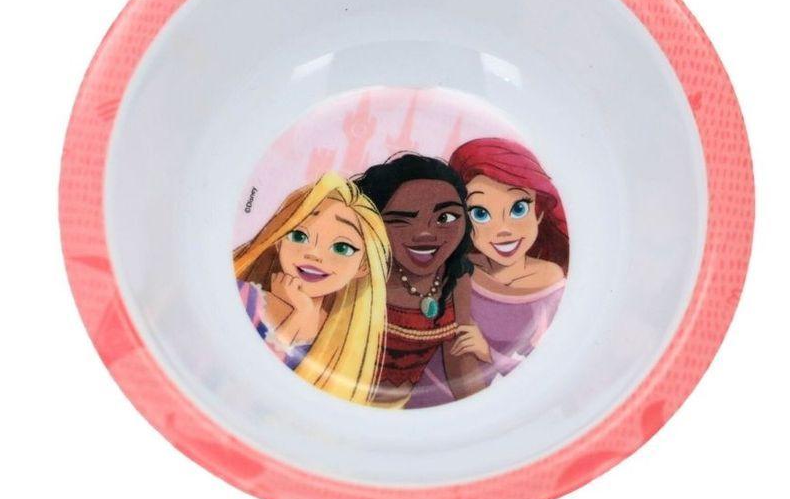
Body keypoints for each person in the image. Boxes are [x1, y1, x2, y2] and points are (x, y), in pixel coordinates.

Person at [408, 138, 568, 407]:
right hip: (420, 392)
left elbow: (549, 366)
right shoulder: (458, 267)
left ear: (539, 211)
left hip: (491, 404)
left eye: (518, 209)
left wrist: (489, 353)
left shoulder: (550, 283)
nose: (503, 230)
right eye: (480, 214)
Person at [233, 172, 391, 405]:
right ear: (279, 239)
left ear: (364, 266)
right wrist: (299, 316)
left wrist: (304, 311)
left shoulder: (343, 336)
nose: (314, 255)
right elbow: (242, 383)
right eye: (299, 236)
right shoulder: (242, 297)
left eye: (342, 248)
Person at [355, 154, 491, 408]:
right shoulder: (360, 274)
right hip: (341, 407)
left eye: (446, 218)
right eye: (400, 221)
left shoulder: (456, 276)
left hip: (406, 413)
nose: (425, 233)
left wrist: (484, 414)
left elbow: (459, 358)